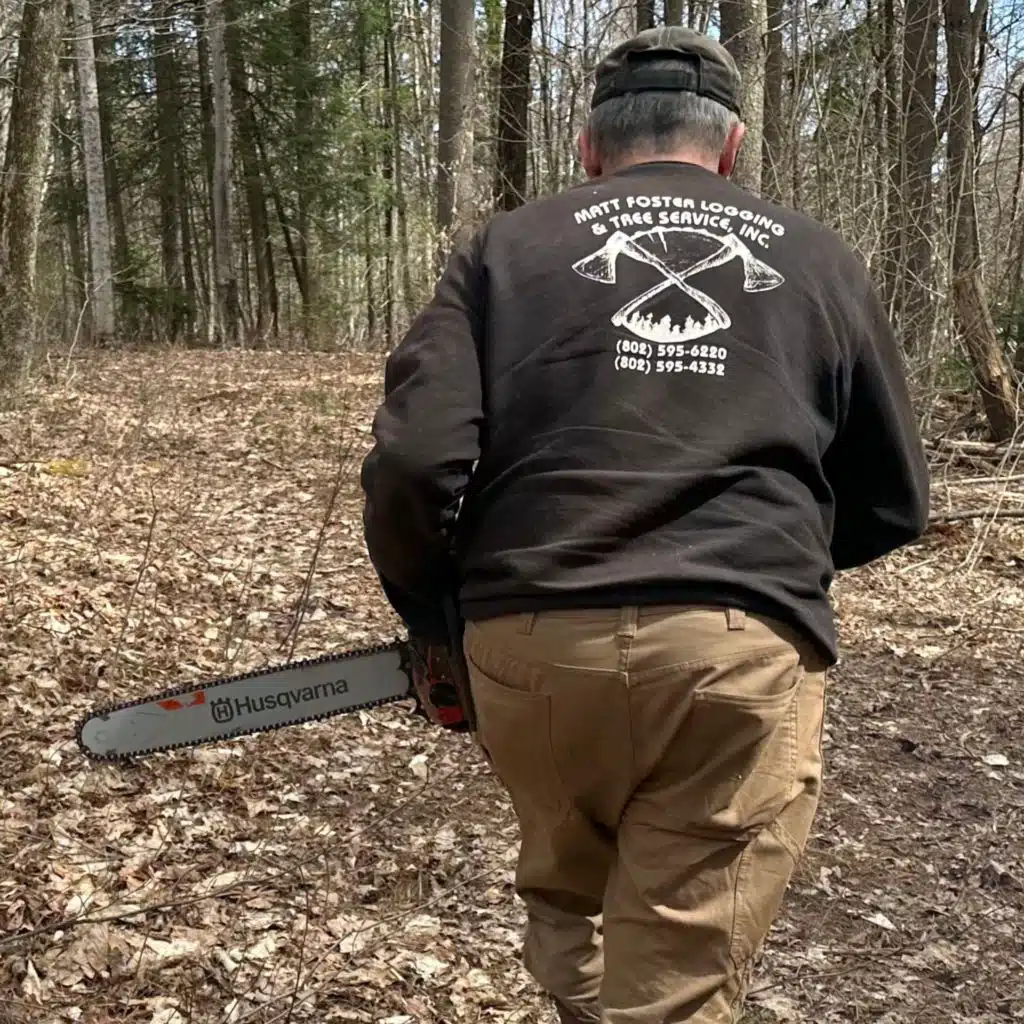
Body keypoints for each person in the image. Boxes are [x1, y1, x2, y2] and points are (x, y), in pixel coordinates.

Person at [359, 25, 930, 1024]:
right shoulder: (815, 259)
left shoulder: (505, 250)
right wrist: (767, 565)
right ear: (733, 143)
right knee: (677, 972)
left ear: (587, 147)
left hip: (529, 643)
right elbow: (891, 497)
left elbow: (415, 460)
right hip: (734, 657)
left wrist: (434, 612)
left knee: (565, 882)